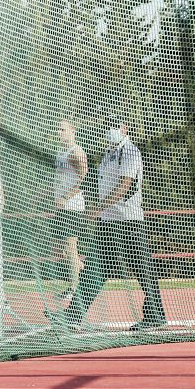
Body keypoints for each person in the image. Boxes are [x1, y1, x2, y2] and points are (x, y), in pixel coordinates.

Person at [48, 114, 166, 332]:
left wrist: (97, 209)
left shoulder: (129, 151)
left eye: (114, 126)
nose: (109, 130)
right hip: (108, 221)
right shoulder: (108, 153)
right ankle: (73, 316)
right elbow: (95, 181)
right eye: (106, 126)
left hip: (128, 220)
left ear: (125, 127)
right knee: (94, 268)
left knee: (142, 269)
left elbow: (124, 186)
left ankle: (155, 315)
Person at [50, 119, 88, 299]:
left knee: (71, 248)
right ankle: (81, 270)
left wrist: (65, 197)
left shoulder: (76, 152)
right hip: (60, 207)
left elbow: (83, 179)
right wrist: (43, 195)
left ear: (73, 131)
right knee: (58, 249)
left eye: (63, 129)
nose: (59, 132)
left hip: (72, 207)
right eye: (58, 129)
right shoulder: (60, 152)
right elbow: (60, 180)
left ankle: (74, 289)